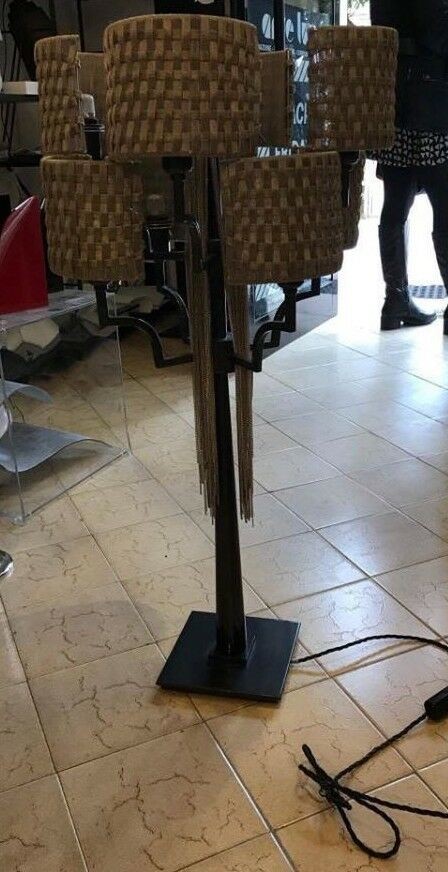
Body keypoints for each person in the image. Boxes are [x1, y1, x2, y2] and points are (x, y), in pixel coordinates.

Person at [370, 0, 448, 331]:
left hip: (394, 99)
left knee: (395, 204)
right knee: (444, 205)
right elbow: (438, 33)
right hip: (432, 101)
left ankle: (395, 299)